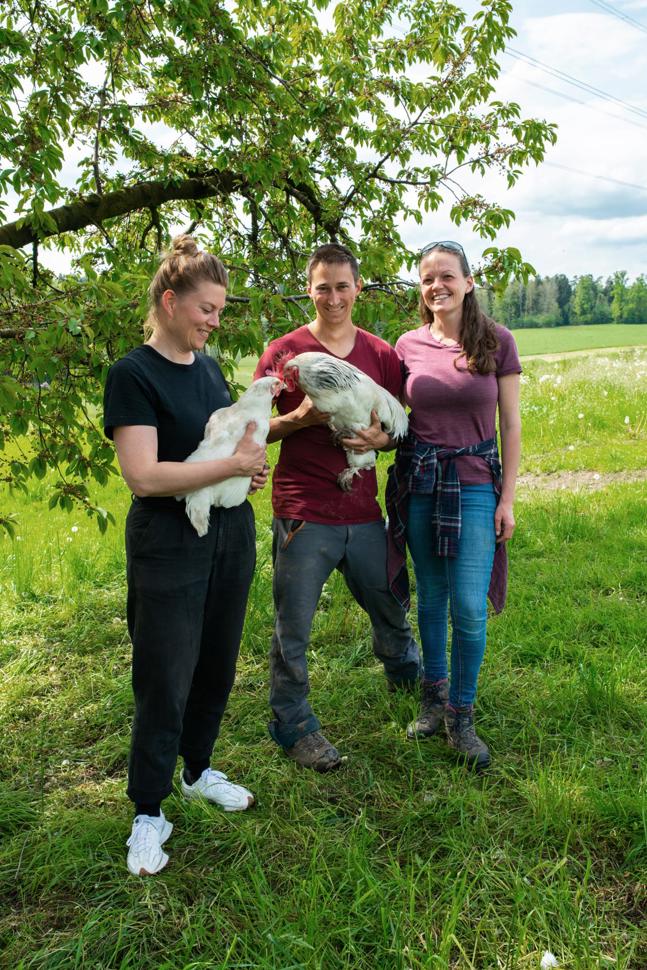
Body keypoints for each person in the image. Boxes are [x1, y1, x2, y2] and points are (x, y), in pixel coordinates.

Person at [103, 235, 268, 876]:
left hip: (228, 533)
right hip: (167, 542)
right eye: (206, 309)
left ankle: (197, 770)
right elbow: (144, 475)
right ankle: (148, 810)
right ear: (170, 302)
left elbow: (222, 450)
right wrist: (231, 466)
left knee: (216, 662)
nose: (214, 321)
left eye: (220, 310)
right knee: (165, 674)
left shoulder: (209, 369)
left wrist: (244, 475)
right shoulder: (133, 375)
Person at [254, 243, 421, 773]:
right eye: (322, 287)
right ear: (309, 289)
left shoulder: (380, 354)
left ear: (358, 288)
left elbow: (398, 427)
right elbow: (254, 428)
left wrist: (380, 439)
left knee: (389, 602)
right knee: (293, 625)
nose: (333, 297)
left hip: (363, 509)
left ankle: (407, 678)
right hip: (303, 510)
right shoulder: (284, 351)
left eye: (342, 286)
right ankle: (293, 724)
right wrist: (299, 419)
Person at [386, 241, 521, 770]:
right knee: (432, 596)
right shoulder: (407, 345)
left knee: (468, 603)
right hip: (421, 482)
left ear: (468, 282)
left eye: (446, 275)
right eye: (427, 278)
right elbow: (390, 415)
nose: (436, 285)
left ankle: (461, 713)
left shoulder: (497, 341)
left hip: (476, 483)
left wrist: (507, 497)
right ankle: (433, 697)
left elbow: (510, 424)